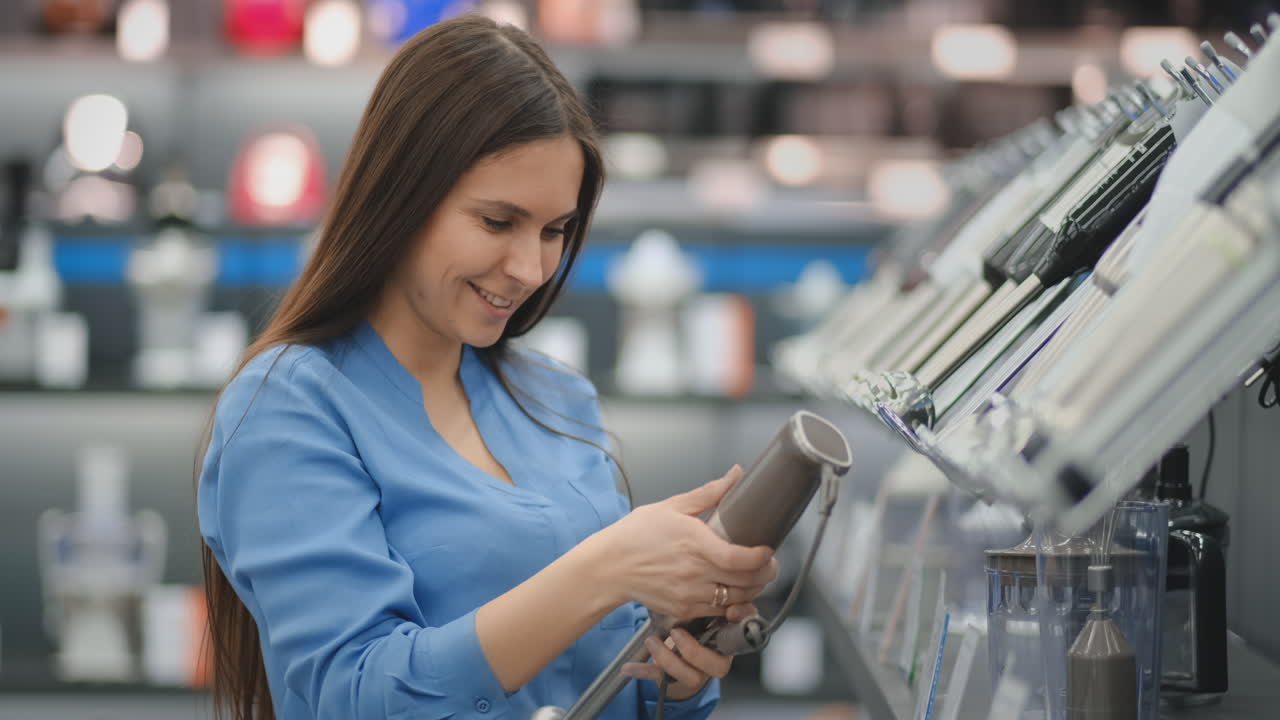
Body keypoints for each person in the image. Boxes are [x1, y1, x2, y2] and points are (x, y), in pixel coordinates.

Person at [196, 14, 778, 720]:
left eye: (555, 231)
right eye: (498, 223)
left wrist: (676, 676)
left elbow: (606, 683)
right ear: (401, 197)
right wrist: (606, 570)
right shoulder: (288, 407)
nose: (531, 268)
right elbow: (352, 697)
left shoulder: (556, 396)